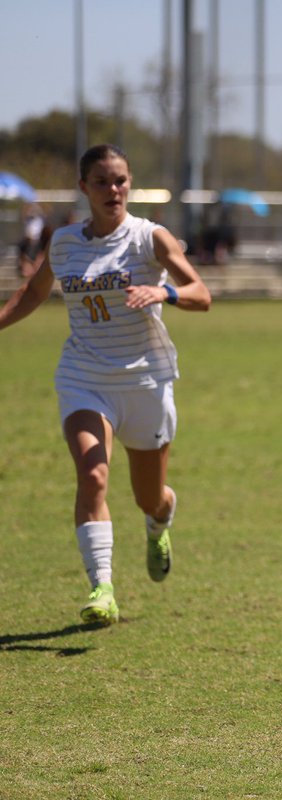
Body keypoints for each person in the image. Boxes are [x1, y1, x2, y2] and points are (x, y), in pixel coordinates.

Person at [0, 144, 212, 627]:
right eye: (101, 182)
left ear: (129, 183)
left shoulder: (150, 238)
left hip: (145, 380)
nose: (113, 190)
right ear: (84, 189)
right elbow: (32, 293)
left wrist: (165, 291)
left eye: (120, 180)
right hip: (84, 377)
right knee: (93, 475)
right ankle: (103, 589)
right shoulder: (65, 242)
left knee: (147, 496)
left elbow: (202, 294)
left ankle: (160, 518)